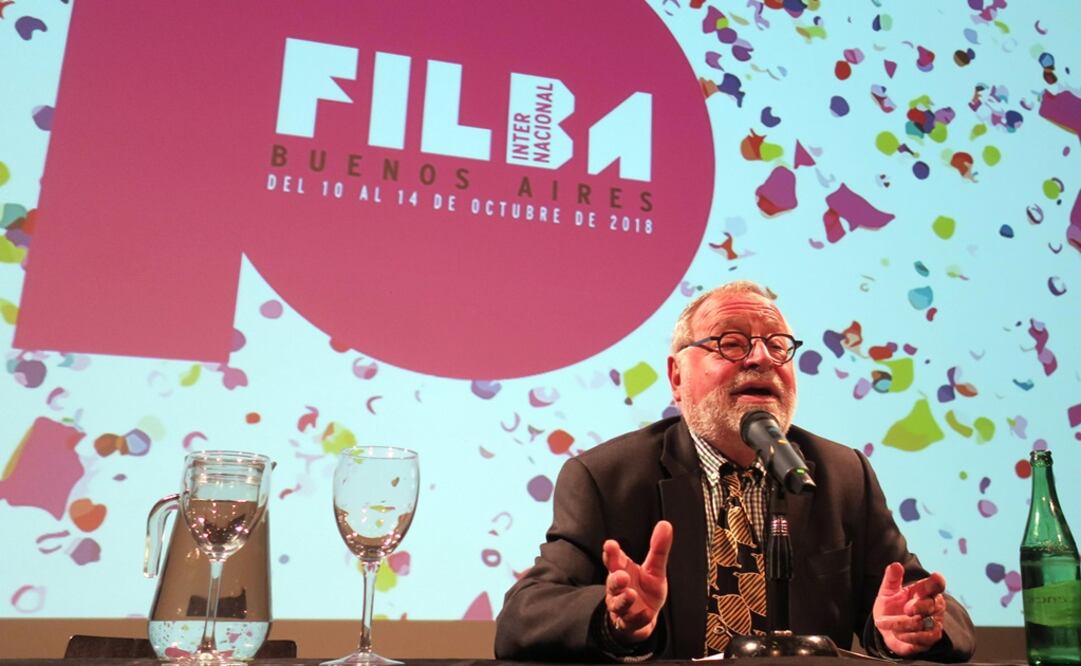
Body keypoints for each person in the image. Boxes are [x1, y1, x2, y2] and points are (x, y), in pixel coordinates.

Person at [494, 280, 976, 661]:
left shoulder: (842, 475)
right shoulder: (607, 478)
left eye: (778, 345)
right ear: (677, 377)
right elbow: (522, 618)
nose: (761, 358)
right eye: (731, 343)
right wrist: (613, 619)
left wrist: (913, 624)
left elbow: (931, 608)